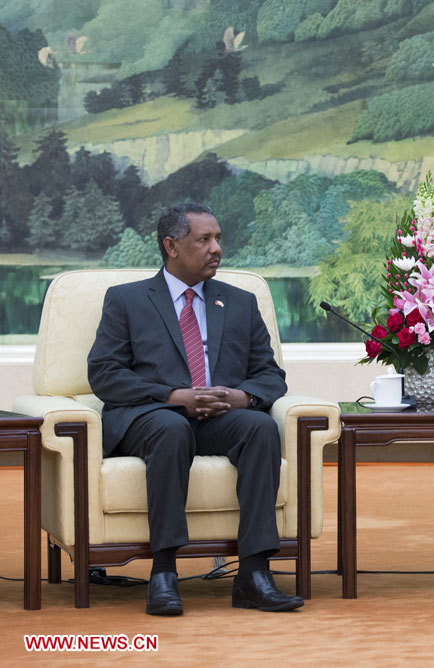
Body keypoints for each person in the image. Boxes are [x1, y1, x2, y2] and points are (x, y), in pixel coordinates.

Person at [88, 202, 304, 615]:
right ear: (171, 245)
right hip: (152, 415)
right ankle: (164, 572)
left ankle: (254, 575)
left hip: (219, 415)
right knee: (171, 429)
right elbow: (104, 374)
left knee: (260, 427)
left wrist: (242, 397)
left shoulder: (239, 302)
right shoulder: (127, 300)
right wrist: (173, 396)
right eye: (203, 239)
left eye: (218, 238)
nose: (216, 248)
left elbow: (270, 375)